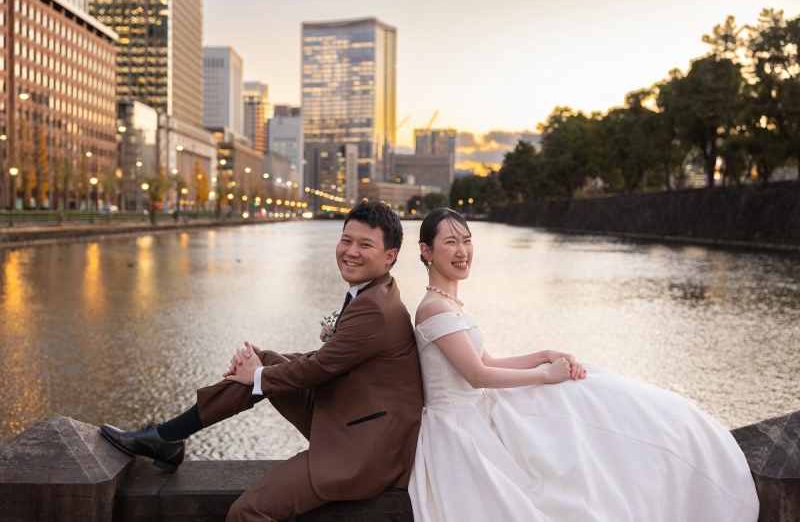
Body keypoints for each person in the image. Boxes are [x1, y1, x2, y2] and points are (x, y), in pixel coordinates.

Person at [408, 208, 759, 522]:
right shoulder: (434, 308)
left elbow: (490, 361)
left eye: (467, 241)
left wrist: (545, 354)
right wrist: (546, 374)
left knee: (589, 390)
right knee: (568, 414)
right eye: (450, 242)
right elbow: (477, 375)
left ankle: (678, 442)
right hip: (460, 425)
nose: (462, 251)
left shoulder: (449, 304)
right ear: (426, 251)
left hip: (478, 408)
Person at [101, 201, 424, 522]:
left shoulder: (374, 309)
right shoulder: (375, 291)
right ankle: (170, 436)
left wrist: (258, 376)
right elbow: (332, 358)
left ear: (389, 256)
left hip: (364, 452)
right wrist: (260, 369)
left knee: (247, 512)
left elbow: (322, 367)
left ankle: (168, 438)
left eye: (365, 244)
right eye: (346, 240)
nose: (351, 251)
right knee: (264, 361)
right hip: (357, 419)